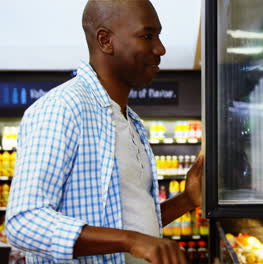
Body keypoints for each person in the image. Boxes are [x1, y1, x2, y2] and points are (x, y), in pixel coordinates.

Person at [5, 0, 203, 263]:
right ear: (105, 40)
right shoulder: (62, 108)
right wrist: (131, 241)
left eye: (159, 36)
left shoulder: (131, 122)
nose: (160, 48)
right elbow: (24, 222)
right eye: (147, 35)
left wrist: (187, 199)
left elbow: (126, 223)